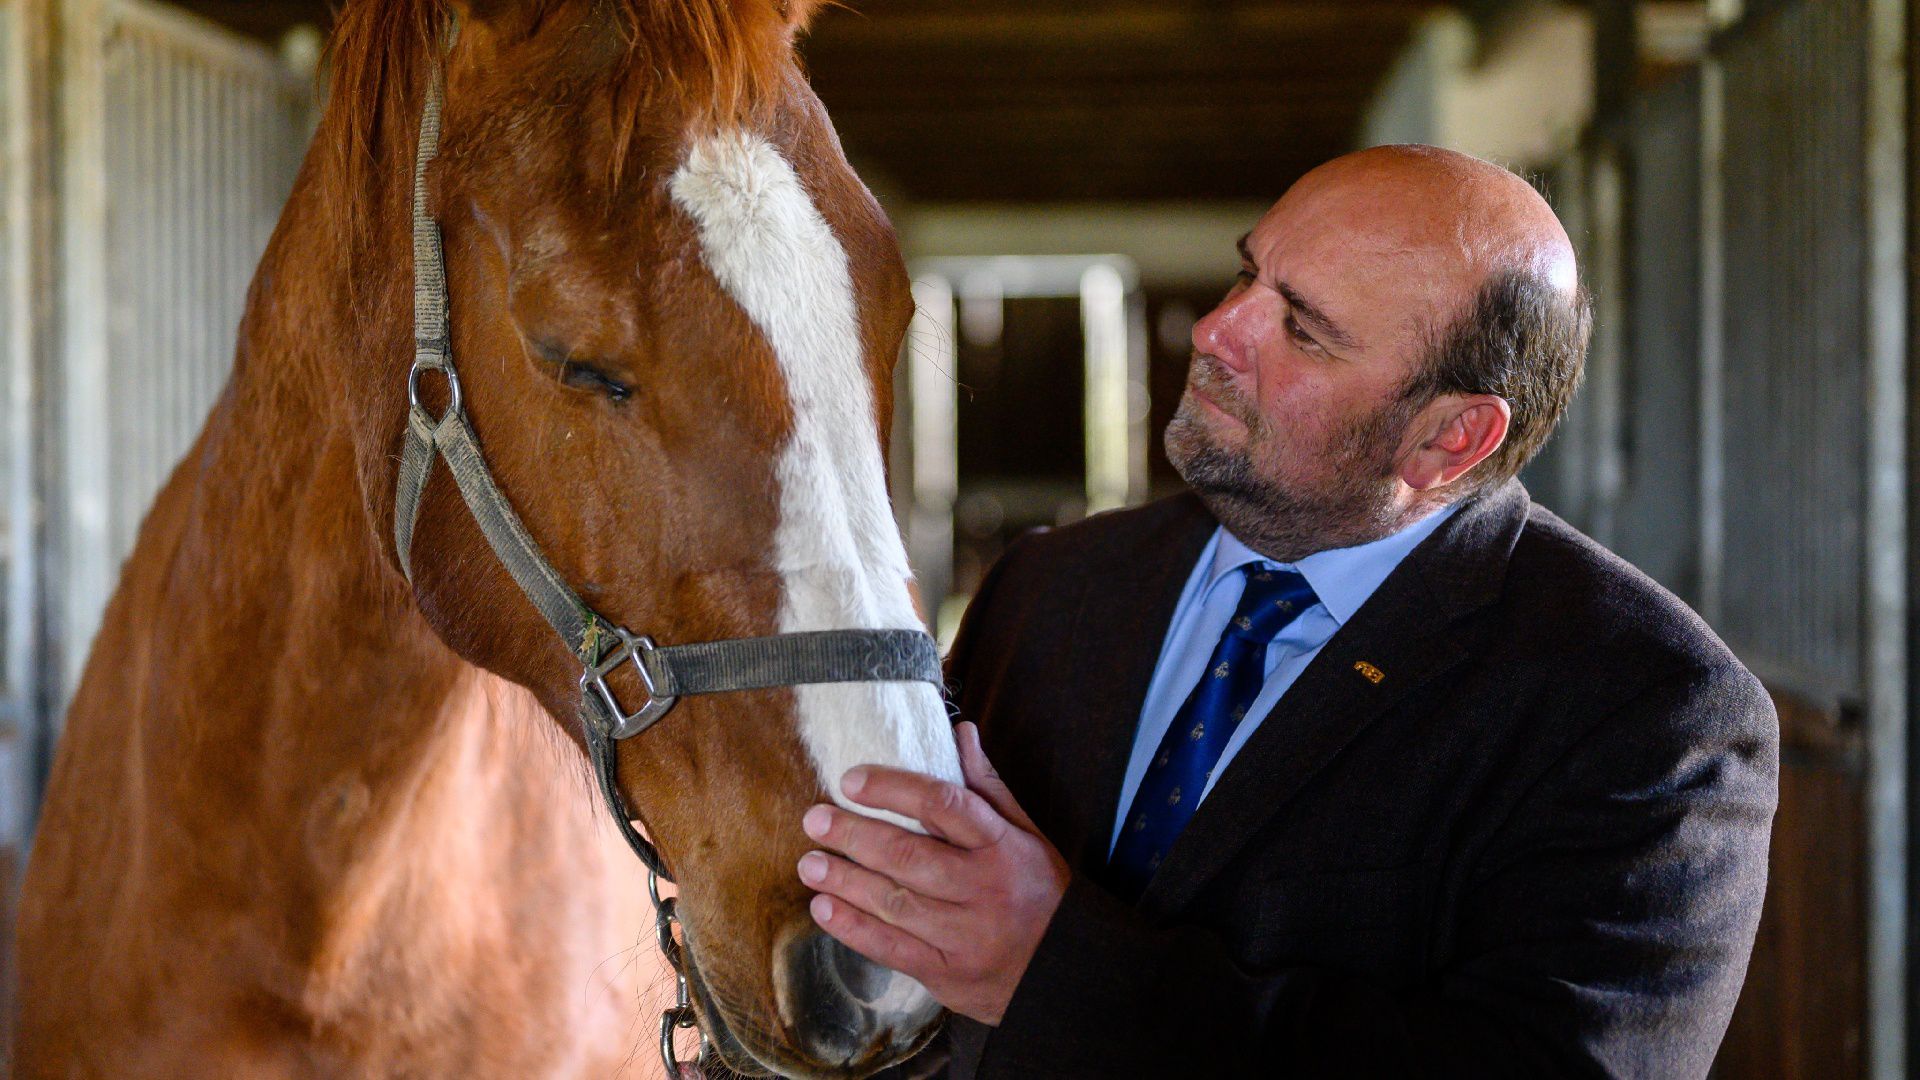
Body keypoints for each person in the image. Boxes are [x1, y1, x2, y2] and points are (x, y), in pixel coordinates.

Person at [792, 144, 1779, 1078]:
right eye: (1245, 275)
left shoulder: (1651, 711)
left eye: (1303, 330)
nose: (1217, 332)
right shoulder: (1053, 585)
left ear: (1449, 439)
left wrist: (1062, 977)